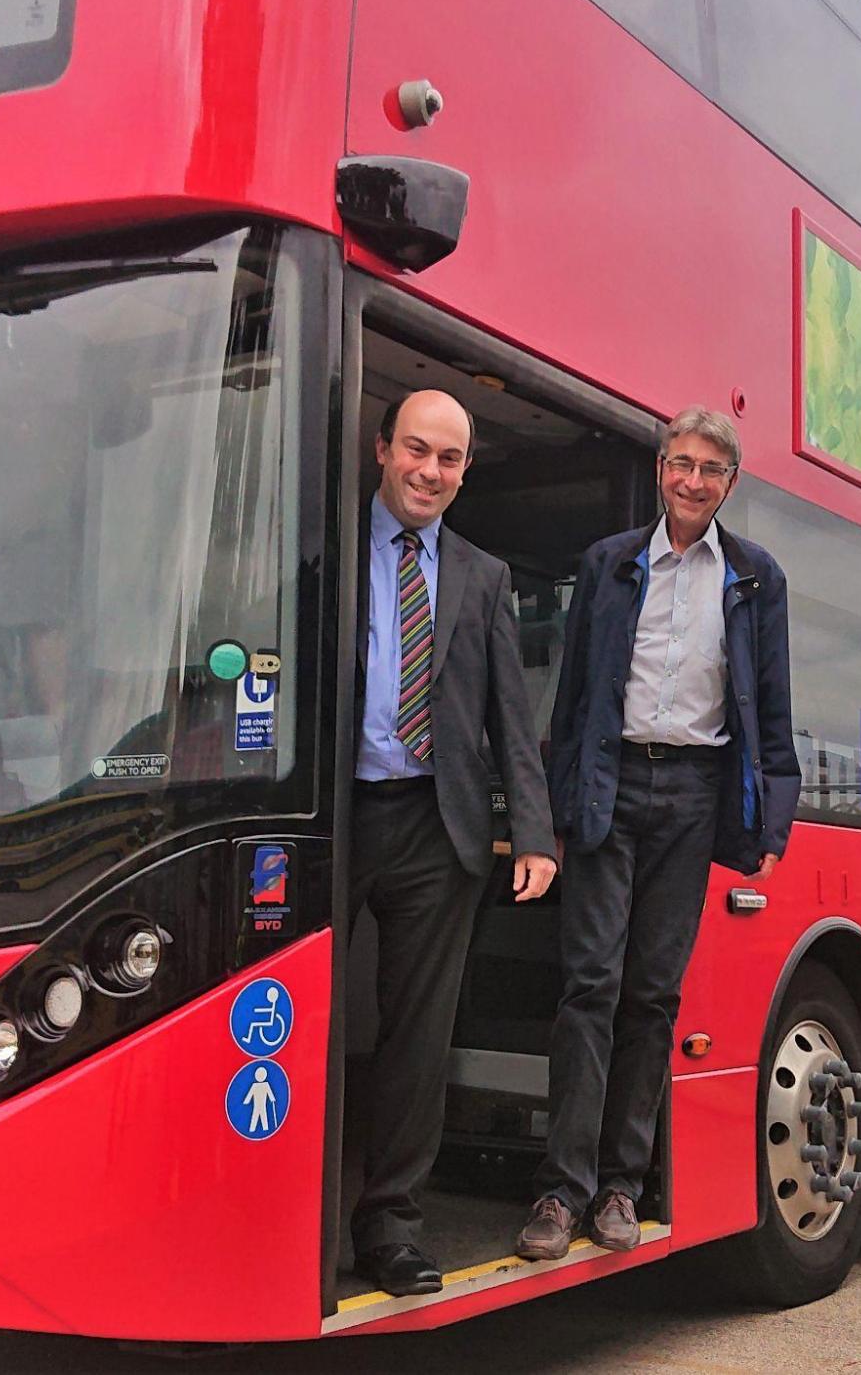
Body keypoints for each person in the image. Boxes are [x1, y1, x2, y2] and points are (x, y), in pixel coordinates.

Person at [516, 406, 800, 1260]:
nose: (692, 480)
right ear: (659, 469)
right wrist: (557, 811)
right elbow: (570, 705)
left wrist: (772, 815)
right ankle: (560, 1192)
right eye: (681, 463)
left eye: (710, 469)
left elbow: (772, 704)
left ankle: (618, 1188)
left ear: (729, 484)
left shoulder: (755, 577)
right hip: (609, 784)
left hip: (693, 792)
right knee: (588, 984)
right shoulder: (608, 565)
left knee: (651, 993)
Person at [351, 388, 557, 1296]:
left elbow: (513, 717)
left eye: (449, 459)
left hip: (442, 829)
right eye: (417, 451)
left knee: (415, 1040)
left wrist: (534, 833)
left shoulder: (482, 575)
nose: (430, 471)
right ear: (381, 448)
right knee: (293, 1024)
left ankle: (390, 1226)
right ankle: (280, 1204)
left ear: (466, 470)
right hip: (330, 817)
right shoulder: (318, 540)